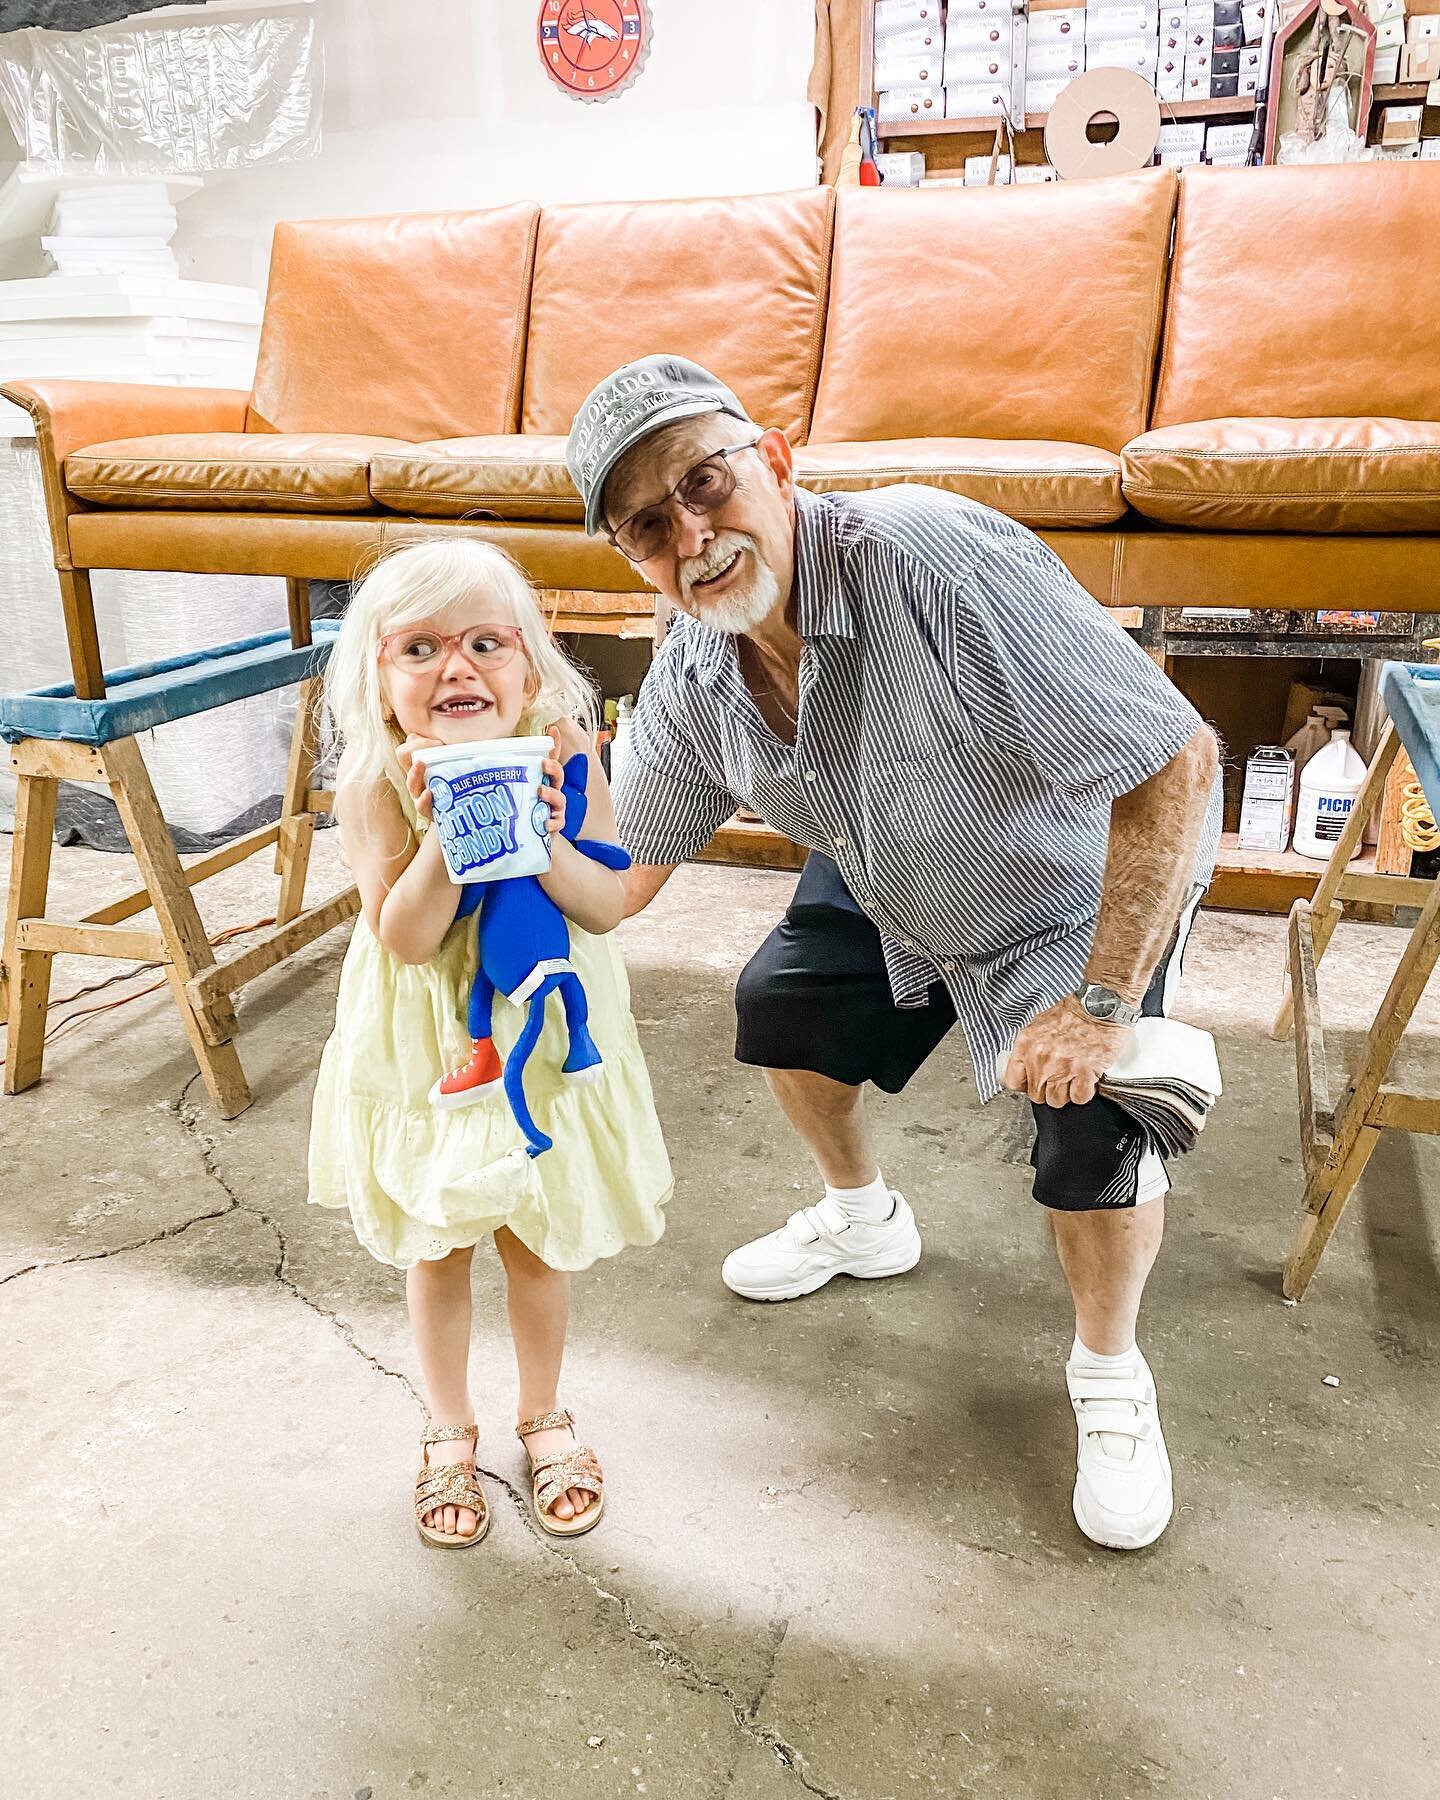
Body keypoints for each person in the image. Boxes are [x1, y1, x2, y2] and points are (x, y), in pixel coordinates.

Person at [565, 355, 1221, 1552]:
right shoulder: (696, 665)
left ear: (776, 462)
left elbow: (1171, 762)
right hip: (890, 867)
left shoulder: (935, 559)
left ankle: (1109, 1369)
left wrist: (1103, 1003)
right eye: (649, 526)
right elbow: (620, 875)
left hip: (1068, 883)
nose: (692, 535)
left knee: (1092, 1127)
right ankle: (865, 1218)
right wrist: (487, 827)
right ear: (631, 558)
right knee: (781, 1007)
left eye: (704, 482)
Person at [309, 539, 671, 1548]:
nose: (455, 667)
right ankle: (448, 1427)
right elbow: (407, 938)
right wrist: (446, 837)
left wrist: (544, 834)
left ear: (529, 665)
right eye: (419, 648)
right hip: (432, 1039)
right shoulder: (376, 782)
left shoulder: (565, 747)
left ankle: (543, 1414)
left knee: (536, 1238)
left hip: (544, 1034)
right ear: (381, 682)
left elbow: (604, 906)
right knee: (438, 1244)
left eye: (484, 643)